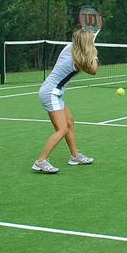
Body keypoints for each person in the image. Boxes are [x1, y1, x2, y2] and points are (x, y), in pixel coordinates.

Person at [33, 29, 99, 173]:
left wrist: (89, 47)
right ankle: (41, 161)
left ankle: (75, 155)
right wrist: (94, 53)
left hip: (54, 92)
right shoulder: (78, 61)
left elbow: (82, 47)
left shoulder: (68, 48)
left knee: (69, 122)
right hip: (50, 93)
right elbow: (94, 69)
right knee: (62, 129)